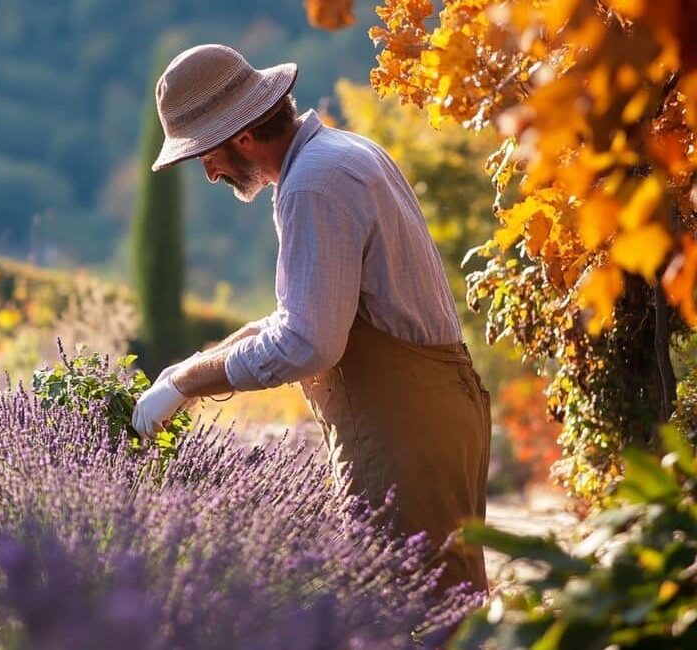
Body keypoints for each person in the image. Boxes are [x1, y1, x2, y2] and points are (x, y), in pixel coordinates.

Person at [130, 43, 491, 595]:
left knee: (415, 614)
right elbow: (302, 314)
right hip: (427, 415)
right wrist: (193, 366)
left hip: (403, 431)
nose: (210, 174)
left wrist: (186, 384)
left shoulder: (314, 184)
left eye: (206, 156)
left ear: (242, 136)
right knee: (439, 604)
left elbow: (307, 343)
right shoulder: (343, 154)